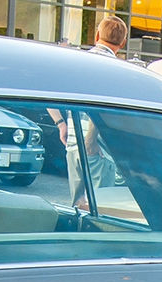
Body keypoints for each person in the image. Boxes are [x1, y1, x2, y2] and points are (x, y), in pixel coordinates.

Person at [50, 16, 127, 201]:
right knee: (100, 207)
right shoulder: (117, 69)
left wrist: (61, 123)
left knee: (77, 205)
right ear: (123, 43)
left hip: (73, 143)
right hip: (97, 147)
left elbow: (48, 91)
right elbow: (102, 106)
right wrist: (90, 140)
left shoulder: (76, 62)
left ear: (97, 35)